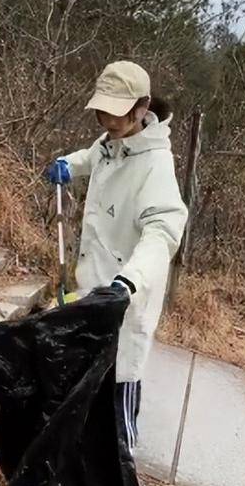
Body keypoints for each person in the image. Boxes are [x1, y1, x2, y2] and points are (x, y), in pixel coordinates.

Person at [46, 60, 188, 453]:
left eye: (117, 111)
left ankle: (122, 464)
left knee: (120, 380)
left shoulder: (155, 164)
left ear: (142, 108)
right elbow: (91, 158)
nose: (107, 119)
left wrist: (129, 282)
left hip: (126, 291)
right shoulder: (111, 143)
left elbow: (162, 232)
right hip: (93, 280)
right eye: (102, 111)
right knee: (88, 373)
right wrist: (67, 165)